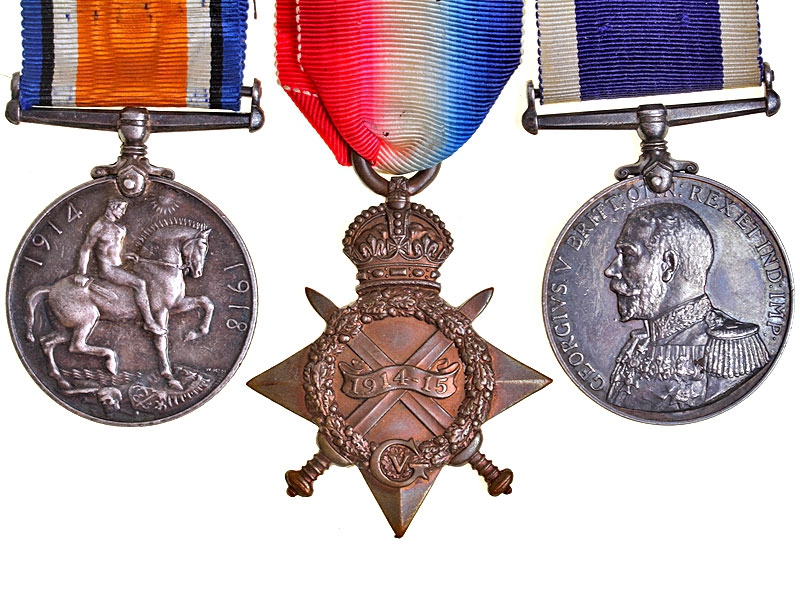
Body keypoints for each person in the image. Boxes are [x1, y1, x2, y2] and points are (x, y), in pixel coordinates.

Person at [603, 203, 768, 412]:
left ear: (668, 266)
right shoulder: (638, 344)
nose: (611, 270)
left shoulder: (729, 348)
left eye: (628, 255)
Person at [74, 198, 167, 335]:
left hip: (118, 266)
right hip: (108, 269)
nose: (123, 212)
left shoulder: (120, 229)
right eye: (121, 208)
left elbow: (113, 251)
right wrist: (81, 273)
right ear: (112, 206)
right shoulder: (99, 226)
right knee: (140, 283)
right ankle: (149, 322)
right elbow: (86, 249)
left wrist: (125, 256)